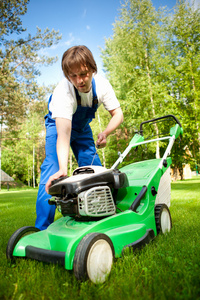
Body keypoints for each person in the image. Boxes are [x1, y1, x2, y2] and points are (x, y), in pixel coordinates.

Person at [35, 45, 123, 230]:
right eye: (73, 76)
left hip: (82, 128)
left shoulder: (103, 86)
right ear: (67, 75)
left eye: (83, 74)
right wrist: (62, 169)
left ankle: (102, 216)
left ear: (92, 69)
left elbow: (118, 114)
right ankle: (42, 228)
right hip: (58, 127)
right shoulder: (63, 92)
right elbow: (64, 134)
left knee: (95, 170)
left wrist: (105, 133)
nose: (79, 81)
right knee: (52, 170)